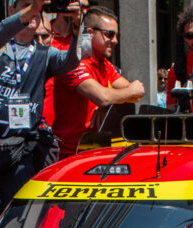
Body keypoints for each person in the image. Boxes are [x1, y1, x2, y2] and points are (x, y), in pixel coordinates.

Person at [0, 0, 82, 228]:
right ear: (11, 11)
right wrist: (33, 8)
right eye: (27, 5)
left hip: (19, 150)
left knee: (17, 217)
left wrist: (78, 24)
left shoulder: (44, 54)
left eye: (38, 8)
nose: (36, 12)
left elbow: (72, 61)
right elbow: (1, 32)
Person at [52, 7, 144, 158]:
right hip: (69, 154)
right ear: (90, 32)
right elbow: (104, 97)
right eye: (109, 34)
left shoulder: (103, 63)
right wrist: (108, 100)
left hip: (94, 150)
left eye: (117, 35)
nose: (115, 41)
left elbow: (138, 92)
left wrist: (108, 104)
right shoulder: (72, 61)